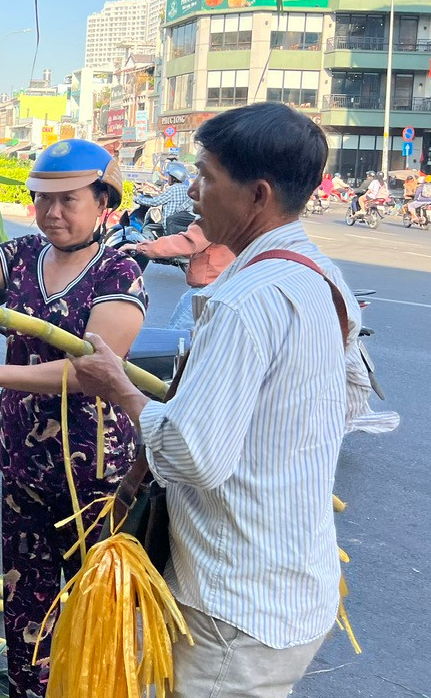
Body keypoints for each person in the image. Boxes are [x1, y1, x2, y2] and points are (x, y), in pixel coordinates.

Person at [70, 102, 349, 698]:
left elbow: (192, 455)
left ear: (258, 195)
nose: (192, 191)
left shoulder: (244, 300)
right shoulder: (319, 274)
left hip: (235, 608)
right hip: (292, 586)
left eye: (206, 176)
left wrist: (119, 386)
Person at [0, 138, 147, 698]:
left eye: (69, 200)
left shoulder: (119, 272)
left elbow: (92, 370)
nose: (53, 213)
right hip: (25, 462)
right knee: (25, 591)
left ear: (103, 201)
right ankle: (28, 687)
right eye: (43, 199)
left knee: (95, 595)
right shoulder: (21, 256)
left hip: (93, 469)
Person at [124, 218, 234, 330]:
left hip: (207, 288)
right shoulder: (238, 213)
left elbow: (188, 242)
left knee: (176, 335)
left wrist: (142, 247)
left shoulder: (216, 214)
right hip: (225, 284)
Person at [136, 160, 194, 235]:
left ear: (173, 178)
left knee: (147, 228)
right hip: (178, 224)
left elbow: (155, 202)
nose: (167, 179)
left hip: (168, 224)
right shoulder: (187, 189)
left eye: (169, 177)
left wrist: (139, 200)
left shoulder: (172, 189)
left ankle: (150, 245)